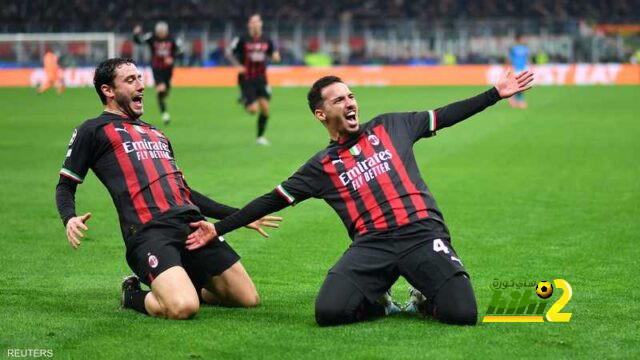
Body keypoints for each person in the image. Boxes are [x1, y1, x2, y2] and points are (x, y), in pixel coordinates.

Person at [184, 70, 534, 326]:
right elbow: (270, 200)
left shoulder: (392, 125)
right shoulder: (321, 166)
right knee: (329, 313)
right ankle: (379, 300)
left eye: (351, 96)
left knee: (463, 314)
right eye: (339, 99)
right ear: (321, 114)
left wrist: (494, 94)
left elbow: (445, 115)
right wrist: (218, 229)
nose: (350, 102)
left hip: (422, 233)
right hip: (372, 245)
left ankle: (423, 296)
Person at [55, 57, 281, 319]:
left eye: (140, 78)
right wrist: (69, 218)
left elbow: (185, 193)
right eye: (130, 80)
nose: (141, 85)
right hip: (149, 231)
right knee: (183, 308)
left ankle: (181, 283)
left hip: (192, 224)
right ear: (108, 91)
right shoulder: (92, 130)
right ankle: (133, 295)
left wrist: (241, 216)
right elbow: (65, 185)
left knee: (247, 299)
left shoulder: (156, 133)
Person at [226, 14, 281, 146]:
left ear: (261, 24)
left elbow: (274, 55)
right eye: (253, 22)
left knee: (266, 110)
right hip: (246, 78)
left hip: (261, 78)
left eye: (257, 22)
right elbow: (229, 52)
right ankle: (245, 98)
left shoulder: (267, 39)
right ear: (249, 25)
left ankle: (260, 137)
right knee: (252, 110)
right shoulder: (242, 39)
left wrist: (275, 57)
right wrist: (238, 65)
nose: (255, 24)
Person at [133, 21, 181, 125]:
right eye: (159, 31)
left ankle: (163, 106)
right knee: (161, 89)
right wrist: (136, 34)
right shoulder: (152, 38)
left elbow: (179, 52)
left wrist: (172, 58)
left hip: (168, 69)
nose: (161, 33)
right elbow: (139, 41)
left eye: (163, 31)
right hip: (157, 68)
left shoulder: (172, 39)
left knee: (165, 92)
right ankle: (164, 114)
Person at [507, 33, 530, 109]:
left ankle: (513, 99)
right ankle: (519, 100)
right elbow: (509, 59)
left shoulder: (525, 48)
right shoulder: (513, 48)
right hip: (515, 69)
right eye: (523, 38)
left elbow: (527, 59)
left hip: (523, 69)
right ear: (518, 39)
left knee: (520, 85)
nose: (524, 40)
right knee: (519, 85)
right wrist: (508, 68)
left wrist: (530, 66)